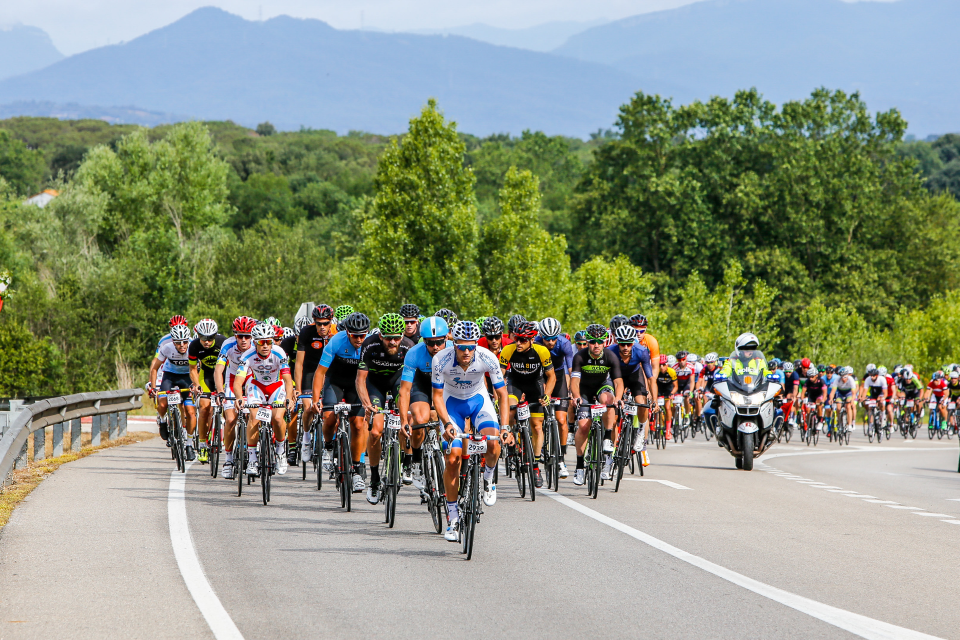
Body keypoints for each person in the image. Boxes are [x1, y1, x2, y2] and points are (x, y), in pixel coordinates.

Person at [432, 321, 511, 542]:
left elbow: (502, 395)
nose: (466, 352)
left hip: (479, 401)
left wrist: (505, 428)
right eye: (461, 347)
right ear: (453, 344)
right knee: (453, 459)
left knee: (493, 443)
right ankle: (453, 515)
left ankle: (488, 476)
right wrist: (446, 423)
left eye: (471, 347)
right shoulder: (441, 360)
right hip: (451, 406)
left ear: (476, 344)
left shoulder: (487, 357)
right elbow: (437, 397)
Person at [308, 312, 370, 493]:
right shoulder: (336, 341)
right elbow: (320, 373)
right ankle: (328, 447)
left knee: (358, 425)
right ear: (347, 333)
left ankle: (357, 469)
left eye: (362, 335)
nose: (359, 339)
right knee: (328, 416)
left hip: (357, 386)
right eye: (355, 335)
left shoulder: (369, 344)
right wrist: (315, 399)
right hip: (334, 383)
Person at [357, 313, 415, 504]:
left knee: (408, 414)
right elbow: (360, 379)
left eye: (397, 337)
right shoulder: (370, 345)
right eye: (388, 338)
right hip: (376, 385)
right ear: (380, 336)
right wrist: (366, 404)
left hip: (398, 382)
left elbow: (413, 384)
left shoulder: (408, 347)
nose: (392, 342)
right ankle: (374, 479)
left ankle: (407, 461)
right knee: (375, 432)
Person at [233, 323, 295, 476]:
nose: (266, 345)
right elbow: (238, 381)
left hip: (276, 386)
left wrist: (289, 398)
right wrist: (239, 398)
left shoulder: (279, 353)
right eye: (262, 342)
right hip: (257, 386)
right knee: (253, 418)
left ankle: (281, 451)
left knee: (278, 418)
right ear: (255, 343)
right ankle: (253, 459)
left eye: (269, 341)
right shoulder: (247, 355)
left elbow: (287, 379)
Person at [499, 320, 555, 488]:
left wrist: (547, 395)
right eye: (517, 338)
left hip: (535, 385)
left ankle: (536, 465)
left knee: (537, 426)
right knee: (509, 409)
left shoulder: (542, 351)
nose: (518, 343)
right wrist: (498, 397)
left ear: (532, 340)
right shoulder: (508, 350)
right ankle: (511, 443)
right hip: (515, 384)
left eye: (523, 340)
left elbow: (551, 376)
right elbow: (499, 376)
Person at [570, 324, 624, 485]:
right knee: (584, 426)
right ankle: (580, 467)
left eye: (599, 342)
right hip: (584, 390)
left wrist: (618, 398)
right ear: (588, 342)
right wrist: (577, 396)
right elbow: (574, 381)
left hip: (603, 386)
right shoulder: (579, 357)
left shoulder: (610, 356)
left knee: (608, 401)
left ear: (604, 342)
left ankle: (607, 437)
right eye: (592, 341)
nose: (596, 345)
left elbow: (618, 381)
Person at [293, 304, 334, 464]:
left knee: (332, 410)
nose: (322, 327)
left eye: (325, 323)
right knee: (309, 406)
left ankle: (331, 444)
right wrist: (297, 388)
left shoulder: (337, 332)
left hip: (329, 372)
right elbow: (299, 363)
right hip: (310, 372)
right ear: (314, 322)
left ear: (331, 321)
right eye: (319, 323)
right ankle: (306, 438)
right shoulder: (306, 332)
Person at [398, 316, 450, 444]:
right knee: (420, 420)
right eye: (430, 343)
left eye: (439, 342)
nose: (435, 347)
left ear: (447, 338)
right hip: (422, 384)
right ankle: (415, 458)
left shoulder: (454, 351)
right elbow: (404, 390)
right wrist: (404, 421)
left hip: (446, 386)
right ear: (424, 341)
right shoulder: (414, 353)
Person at [148, 324, 197, 458]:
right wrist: (153, 388)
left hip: (187, 378)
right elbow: (154, 368)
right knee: (162, 403)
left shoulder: (194, 347)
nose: (182, 345)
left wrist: (197, 385)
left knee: (191, 413)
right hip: (170, 376)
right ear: (172, 342)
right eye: (178, 342)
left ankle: (189, 445)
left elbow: (200, 368)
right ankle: (163, 421)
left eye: (185, 342)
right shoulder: (167, 348)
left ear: (189, 340)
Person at [535, 317, 575, 478]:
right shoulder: (536, 343)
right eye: (547, 339)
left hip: (558, 376)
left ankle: (561, 458)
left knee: (561, 419)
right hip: (541, 376)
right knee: (540, 417)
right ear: (541, 336)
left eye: (553, 339)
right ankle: (543, 444)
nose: (550, 342)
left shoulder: (564, 343)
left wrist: (573, 390)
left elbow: (572, 369)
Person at [607, 324, 652, 463]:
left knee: (642, 403)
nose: (625, 347)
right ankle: (612, 450)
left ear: (633, 342)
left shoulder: (641, 351)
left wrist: (652, 396)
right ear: (617, 342)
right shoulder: (610, 351)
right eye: (622, 344)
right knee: (612, 415)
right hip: (616, 377)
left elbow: (650, 376)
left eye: (628, 344)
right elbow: (605, 376)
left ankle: (641, 431)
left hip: (634, 376)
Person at [187, 319, 225, 464]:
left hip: (224, 375)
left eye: (210, 338)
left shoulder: (223, 342)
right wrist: (196, 384)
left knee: (230, 411)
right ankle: (202, 445)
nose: (207, 342)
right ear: (198, 335)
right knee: (204, 408)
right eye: (203, 338)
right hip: (207, 376)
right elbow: (192, 369)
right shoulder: (194, 345)